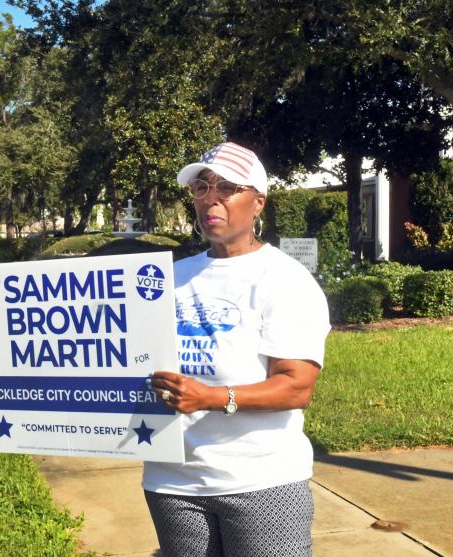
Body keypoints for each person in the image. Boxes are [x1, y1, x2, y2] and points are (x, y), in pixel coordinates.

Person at [144, 141, 330, 557]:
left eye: (227, 187)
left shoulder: (284, 279)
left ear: (258, 202)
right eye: (201, 187)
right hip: (172, 482)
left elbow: (296, 387)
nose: (211, 198)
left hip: (260, 481)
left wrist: (210, 398)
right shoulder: (167, 279)